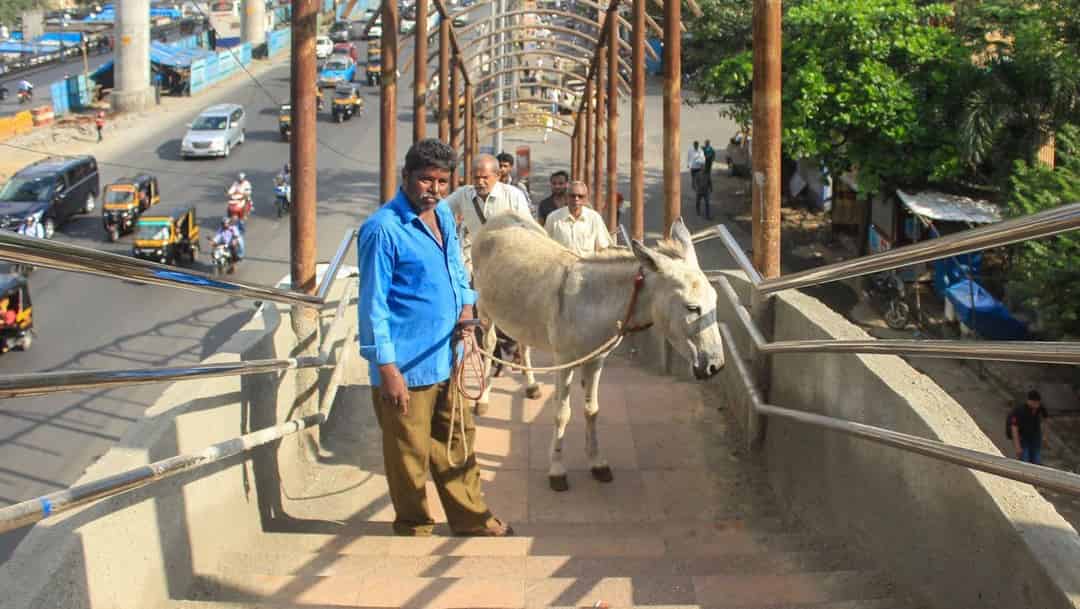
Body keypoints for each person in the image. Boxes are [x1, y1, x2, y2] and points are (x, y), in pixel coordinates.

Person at [357, 138, 513, 538]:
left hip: (449, 355)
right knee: (409, 454)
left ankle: (471, 518)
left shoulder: (442, 214)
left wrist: (466, 310)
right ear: (406, 176)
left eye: (442, 181)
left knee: (458, 440)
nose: (434, 189)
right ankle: (414, 526)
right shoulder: (382, 229)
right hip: (406, 367)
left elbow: (456, 270)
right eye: (426, 180)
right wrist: (387, 369)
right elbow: (373, 305)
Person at [446, 153, 532, 275]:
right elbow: (440, 210)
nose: (480, 182)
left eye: (485, 177)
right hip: (478, 265)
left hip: (509, 265)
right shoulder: (464, 194)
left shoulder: (513, 195)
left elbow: (528, 229)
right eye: (476, 178)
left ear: (497, 176)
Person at [544, 180, 612, 256]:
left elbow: (602, 248)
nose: (576, 199)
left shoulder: (594, 218)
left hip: (587, 263)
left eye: (580, 196)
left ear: (586, 198)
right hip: (561, 263)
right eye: (572, 196)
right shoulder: (553, 218)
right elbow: (546, 246)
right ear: (567, 197)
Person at [1009, 390, 1049, 464]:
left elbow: (1046, 419)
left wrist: (1045, 436)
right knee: (1025, 460)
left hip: (1035, 437)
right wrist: (1017, 446)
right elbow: (1014, 428)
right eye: (1035, 403)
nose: (1037, 405)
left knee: (1036, 460)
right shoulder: (1020, 410)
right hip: (1023, 437)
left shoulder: (1040, 407)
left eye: (1038, 403)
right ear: (1029, 401)